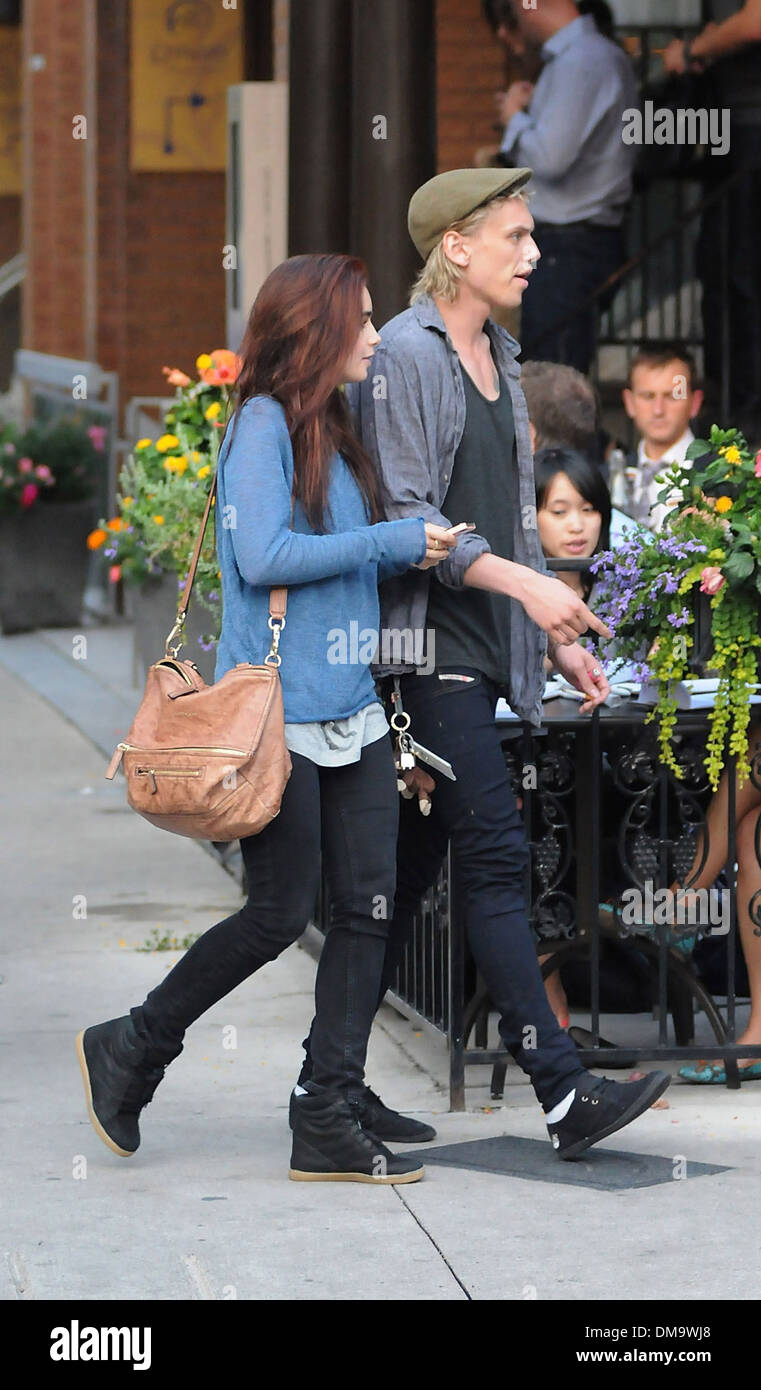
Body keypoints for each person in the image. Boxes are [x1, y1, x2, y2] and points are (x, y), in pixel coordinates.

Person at [298, 168, 670, 1160]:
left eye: (533, 234)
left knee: (404, 877)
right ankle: (561, 1094)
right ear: (455, 247)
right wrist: (526, 587)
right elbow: (408, 516)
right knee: (498, 856)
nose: (534, 250)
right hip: (423, 652)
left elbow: (501, 515)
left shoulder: (501, 354)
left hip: (481, 646)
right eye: (514, 234)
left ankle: (320, 1084)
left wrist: (548, 630)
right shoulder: (411, 356)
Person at [75, 252, 462, 1185]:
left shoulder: (334, 421)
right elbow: (262, 555)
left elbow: (348, 558)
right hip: (279, 718)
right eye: (362, 320)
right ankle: (135, 1042)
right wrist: (393, 540)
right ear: (316, 332)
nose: (375, 334)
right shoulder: (260, 426)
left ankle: (326, 1105)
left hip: (355, 713)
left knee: (366, 908)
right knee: (279, 914)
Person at [496, 0, 638, 372]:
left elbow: (550, 158)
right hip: (571, 242)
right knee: (553, 377)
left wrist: (513, 119)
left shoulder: (584, 60)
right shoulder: (579, 58)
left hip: (570, 244)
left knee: (551, 381)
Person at [534, 445, 612, 1027]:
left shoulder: (627, 587)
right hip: (538, 768)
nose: (577, 524)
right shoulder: (516, 595)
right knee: (530, 828)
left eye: (587, 508)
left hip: (618, 771)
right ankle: (550, 1006)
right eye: (559, 510)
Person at [663, 3, 761, 436]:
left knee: (742, 280)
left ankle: (746, 412)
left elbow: (756, 20)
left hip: (750, 133)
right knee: (723, 278)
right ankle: (731, 407)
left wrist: (693, 49)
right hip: (733, 132)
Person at [614, 343, 704, 530]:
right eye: (648, 396)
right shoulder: (609, 474)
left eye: (671, 396)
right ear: (629, 402)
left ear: (695, 402)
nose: (658, 410)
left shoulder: (723, 477)